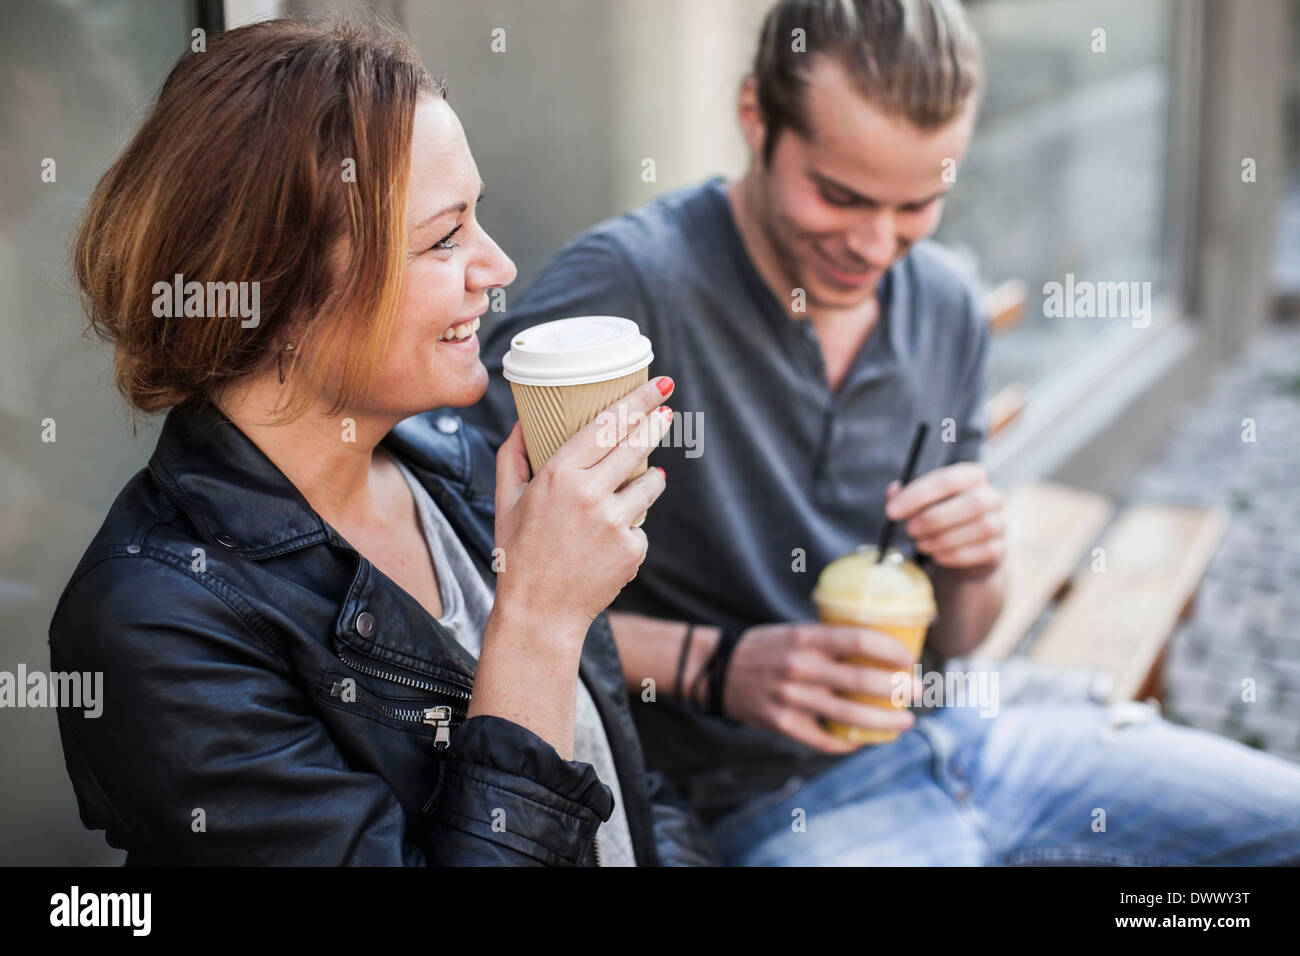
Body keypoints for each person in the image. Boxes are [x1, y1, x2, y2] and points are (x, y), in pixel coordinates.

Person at [462, 0, 1300, 865]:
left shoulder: (943, 305)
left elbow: (963, 632)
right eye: (840, 195)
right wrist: (711, 666)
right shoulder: (628, 287)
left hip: (979, 731)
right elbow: (470, 590)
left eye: (917, 205)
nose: (874, 246)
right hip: (770, 807)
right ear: (755, 117)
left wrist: (975, 563)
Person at [50, 14, 712, 867]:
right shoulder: (157, 627)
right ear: (278, 290)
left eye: (479, 218)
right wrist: (539, 621)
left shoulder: (461, 461)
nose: (500, 266)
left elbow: (626, 788)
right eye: (445, 237)